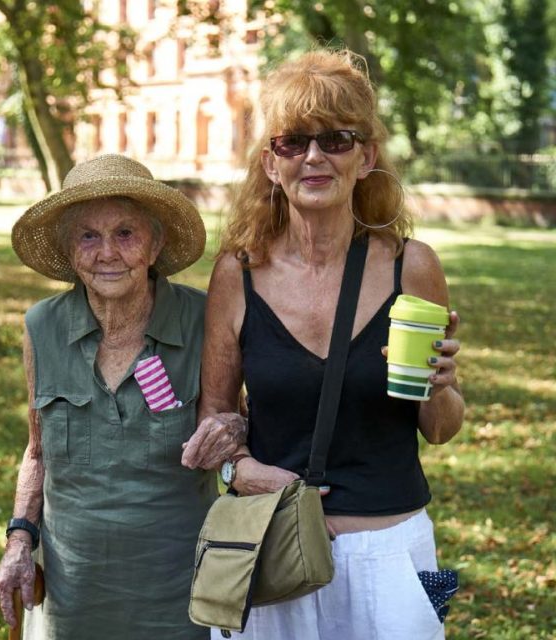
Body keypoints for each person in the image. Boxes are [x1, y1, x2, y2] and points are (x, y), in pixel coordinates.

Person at [182, 49, 464, 640]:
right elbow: (215, 410)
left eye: (336, 140)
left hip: (387, 554)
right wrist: (241, 469)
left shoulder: (411, 268)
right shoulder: (239, 273)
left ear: (366, 159)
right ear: (269, 163)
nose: (314, 157)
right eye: (293, 142)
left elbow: (439, 428)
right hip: (271, 548)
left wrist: (441, 386)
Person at [0, 154, 245, 640]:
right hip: (74, 590)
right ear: (69, 252)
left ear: (156, 244)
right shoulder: (41, 327)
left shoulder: (204, 319)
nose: (107, 252)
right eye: (88, 236)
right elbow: (37, 448)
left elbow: (241, 425)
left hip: (180, 591)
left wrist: (233, 429)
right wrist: (19, 541)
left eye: (125, 233)